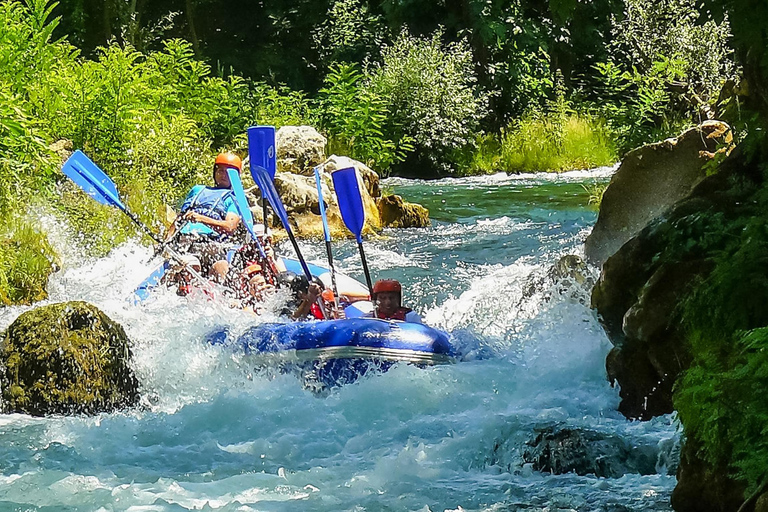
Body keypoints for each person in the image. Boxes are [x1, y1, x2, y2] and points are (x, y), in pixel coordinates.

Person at [165, 152, 243, 283]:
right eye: (220, 170)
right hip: (185, 241)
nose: (223, 175)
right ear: (214, 172)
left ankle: (222, 294)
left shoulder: (232, 199)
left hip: (211, 244)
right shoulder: (197, 190)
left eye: (228, 172)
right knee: (188, 264)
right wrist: (167, 238)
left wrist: (202, 219)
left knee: (221, 267)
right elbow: (180, 218)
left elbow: (230, 226)